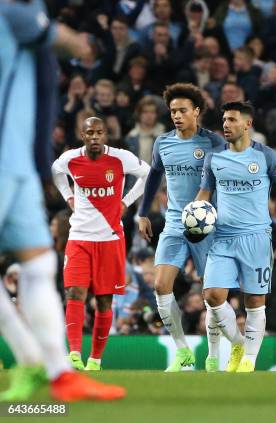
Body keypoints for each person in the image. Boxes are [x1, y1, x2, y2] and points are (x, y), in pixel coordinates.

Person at [0, 0, 124, 401]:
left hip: (16, 162)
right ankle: (30, 358)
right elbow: (75, 46)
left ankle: (57, 373)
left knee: (38, 265)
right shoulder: (11, 11)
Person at [192, 101, 276, 372]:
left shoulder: (265, 156)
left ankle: (249, 361)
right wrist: (192, 222)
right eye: (224, 119)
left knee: (254, 300)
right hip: (223, 237)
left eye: (231, 120)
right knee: (213, 295)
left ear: (247, 124)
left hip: (256, 237)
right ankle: (239, 343)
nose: (226, 125)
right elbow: (204, 194)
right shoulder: (214, 157)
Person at [137, 83, 226, 372]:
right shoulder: (163, 143)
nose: (176, 115)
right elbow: (153, 177)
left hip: (207, 226)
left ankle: (213, 354)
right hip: (175, 222)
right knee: (161, 284)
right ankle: (183, 350)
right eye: (173, 111)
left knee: (211, 294)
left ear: (196, 112)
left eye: (182, 110)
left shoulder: (213, 142)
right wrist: (143, 212)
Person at [51, 117, 150, 370]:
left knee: (104, 301)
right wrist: (69, 196)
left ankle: (95, 359)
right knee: (74, 292)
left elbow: (148, 174)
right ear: (82, 135)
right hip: (80, 237)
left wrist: (126, 202)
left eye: (99, 133)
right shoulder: (71, 159)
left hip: (110, 239)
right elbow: (55, 171)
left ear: (105, 134)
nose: (94, 137)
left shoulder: (120, 158)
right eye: (89, 133)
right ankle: (74, 352)